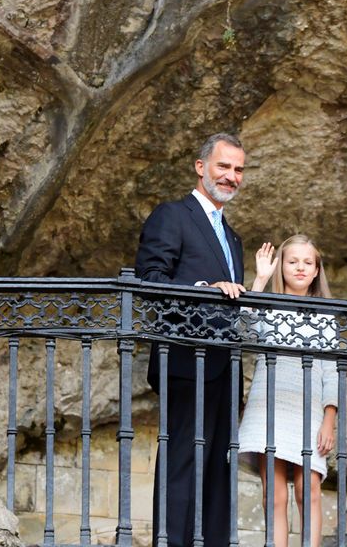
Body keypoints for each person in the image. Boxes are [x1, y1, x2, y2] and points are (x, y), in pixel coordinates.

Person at [135, 132, 246, 547]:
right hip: (184, 360)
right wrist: (204, 287)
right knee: (182, 461)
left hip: (224, 367)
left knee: (219, 466)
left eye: (238, 169)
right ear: (201, 167)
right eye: (223, 166)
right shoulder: (172, 215)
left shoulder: (232, 237)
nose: (231, 176)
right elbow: (150, 281)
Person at [237, 236, 338, 547]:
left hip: (307, 410)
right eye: (292, 261)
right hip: (269, 407)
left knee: (307, 490)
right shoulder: (267, 306)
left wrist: (329, 419)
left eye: (308, 262)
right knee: (275, 494)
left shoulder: (325, 315)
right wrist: (260, 279)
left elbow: (330, 369)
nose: (300, 267)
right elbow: (243, 329)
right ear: (281, 265)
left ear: (317, 269)